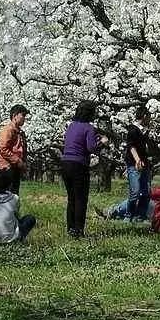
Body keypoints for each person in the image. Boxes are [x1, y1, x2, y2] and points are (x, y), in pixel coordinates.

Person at [61, 100, 109, 239]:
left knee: (72, 198)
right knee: (81, 198)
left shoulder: (71, 126)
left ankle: (70, 229)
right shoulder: (89, 128)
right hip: (79, 165)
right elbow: (91, 148)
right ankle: (78, 230)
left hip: (65, 163)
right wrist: (102, 142)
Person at [0, 168, 36, 243]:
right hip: (11, 239)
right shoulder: (14, 198)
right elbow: (16, 216)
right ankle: (19, 238)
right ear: (10, 184)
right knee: (30, 218)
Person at [123, 106, 153, 221]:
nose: (150, 119)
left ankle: (140, 216)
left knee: (145, 192)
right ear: (145, 116)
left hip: (144, 164)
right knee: (135, 191)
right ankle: (128, 215)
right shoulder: (133, 129)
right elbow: (131, 146)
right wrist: (137, 160)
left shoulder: (144, 131)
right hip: (134, 164)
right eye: (149, 117)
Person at [0, 104, 29, 195]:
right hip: (6, 169)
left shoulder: (20, 132)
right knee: (6, 196)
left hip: (15, 168)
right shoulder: (8, 130)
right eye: (22, 115)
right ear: (14, 116)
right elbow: (3, 149)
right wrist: (17, 160)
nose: (24, 118)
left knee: (14, 196)